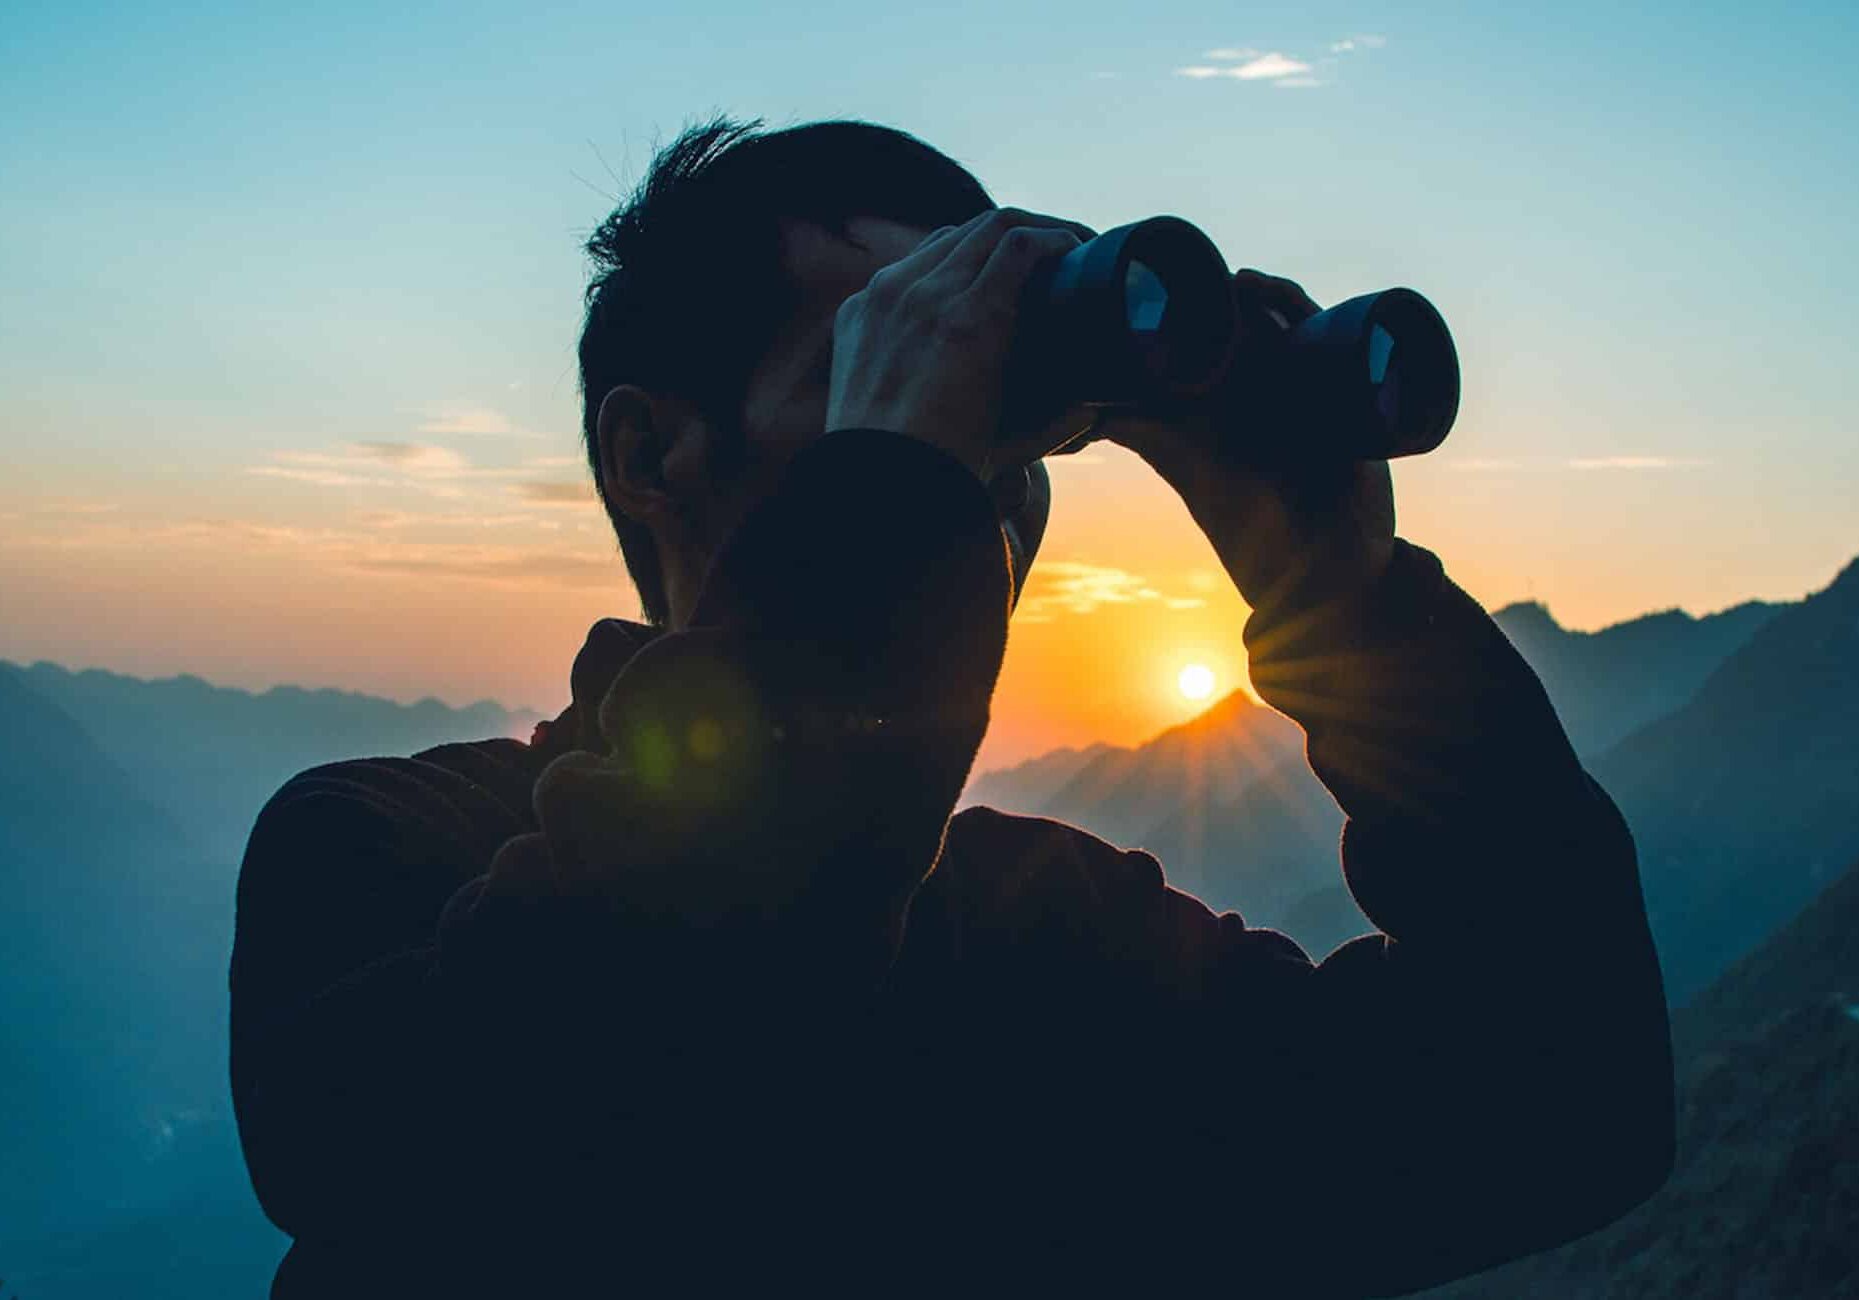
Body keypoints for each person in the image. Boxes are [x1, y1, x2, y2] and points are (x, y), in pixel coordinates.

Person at [230, 117, 1676, 1299]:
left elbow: (1553, 1109)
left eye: (1002, 404)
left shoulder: (1049, 936)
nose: (975, 456)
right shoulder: (379, 854)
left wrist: (1346, 594)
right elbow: (640, 1090)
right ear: (647, 449)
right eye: (879, 375)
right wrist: (891, 503)